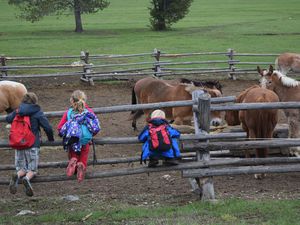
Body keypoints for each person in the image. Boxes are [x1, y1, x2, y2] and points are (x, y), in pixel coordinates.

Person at [6, 92, 54, 197]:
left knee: (22, 168)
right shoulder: (37, 112)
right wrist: (51, 139)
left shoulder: (18, 110)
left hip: (19, 144)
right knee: (32, 169)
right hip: (32, 144)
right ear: (34, 101)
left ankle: (17, 175)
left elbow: (8, 119)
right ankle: (27, 179)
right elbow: (47, 127)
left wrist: (15, 113)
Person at [57, 90, 100, 182]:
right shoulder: (89, 111)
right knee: (84, 154)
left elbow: (60, 127)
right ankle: (81, 165)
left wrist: (66, 133)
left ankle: (74, 160)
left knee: (74, 153)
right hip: (85, 139)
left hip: (73, 139)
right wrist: (91, 135)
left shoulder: (69, 112)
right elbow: (95, 126)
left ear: (72, 101)